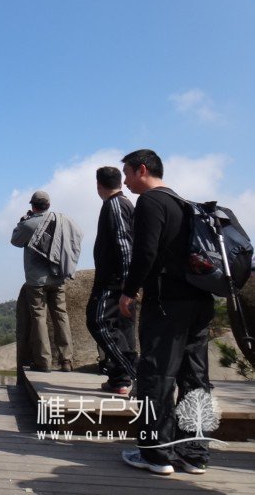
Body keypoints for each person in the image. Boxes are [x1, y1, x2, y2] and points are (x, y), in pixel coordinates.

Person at [118, 149, 214, 476]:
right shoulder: (184, 204)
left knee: (156, 375)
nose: (126, 182)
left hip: (167, 302)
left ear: (142, 170)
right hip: (199, 300)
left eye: (127, 173)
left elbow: (145, 253)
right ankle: (195, 453)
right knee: (196, 377)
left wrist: (129, 291)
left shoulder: (150, 202)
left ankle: (156, 453)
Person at [10, 191, 82, 372]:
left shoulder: (29, 224)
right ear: (48, 205)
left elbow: (15, 241)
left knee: (39, 318)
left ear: (33, 206)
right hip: (58, 276)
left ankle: (44, 362)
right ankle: (66, 360)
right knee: (61, 316)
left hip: (36, 280)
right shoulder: (62, 220)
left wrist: (23, 221)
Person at [86, 167, 136, 396]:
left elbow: (124, 244)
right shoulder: (124, 203)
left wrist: (127, 283)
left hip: (113, 281)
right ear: (120, 182)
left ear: (99, 186)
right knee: (122, 327)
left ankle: (135, 372)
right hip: (121, 280)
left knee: (98, 321)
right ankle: (119, 379)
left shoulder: (115, 205)